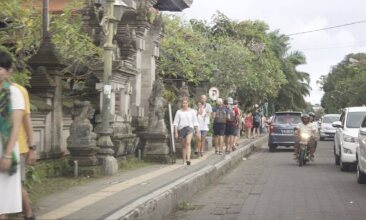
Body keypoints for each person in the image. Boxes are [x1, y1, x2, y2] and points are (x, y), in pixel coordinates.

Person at [0, 51, 25, 218]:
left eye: (0, 68)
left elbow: (15, 127)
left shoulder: (14, 93)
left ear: (9, 71)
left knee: (3, 201)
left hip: (5, 148)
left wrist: (7, 155)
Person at [173, 97, 200, 165]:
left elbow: (195, 121)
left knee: (188, 143)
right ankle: (184, 160)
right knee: (184, 145)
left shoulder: (192, 111)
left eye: (186, 103)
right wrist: (176, 132)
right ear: (182, 104)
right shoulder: (179, 112)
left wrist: (197, 131)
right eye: (183, 103)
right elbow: (175, 123)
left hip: (189, 128)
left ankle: (188, 159)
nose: (185, 104)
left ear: (188, 103)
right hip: (181, 129)